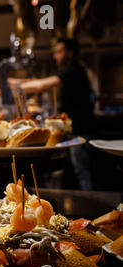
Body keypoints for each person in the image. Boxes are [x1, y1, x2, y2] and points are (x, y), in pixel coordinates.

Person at [10, 38, 94, 190]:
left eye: (59, 52)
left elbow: (42, 85)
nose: (55, 56)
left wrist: (18, 87)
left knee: (82, 173)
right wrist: (13, 82)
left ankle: (92, 205)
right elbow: (38, 81)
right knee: (71, 172)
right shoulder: (72, 70)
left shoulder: (74, 70)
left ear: (70, 52)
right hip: (74, 131)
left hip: (81, 132)